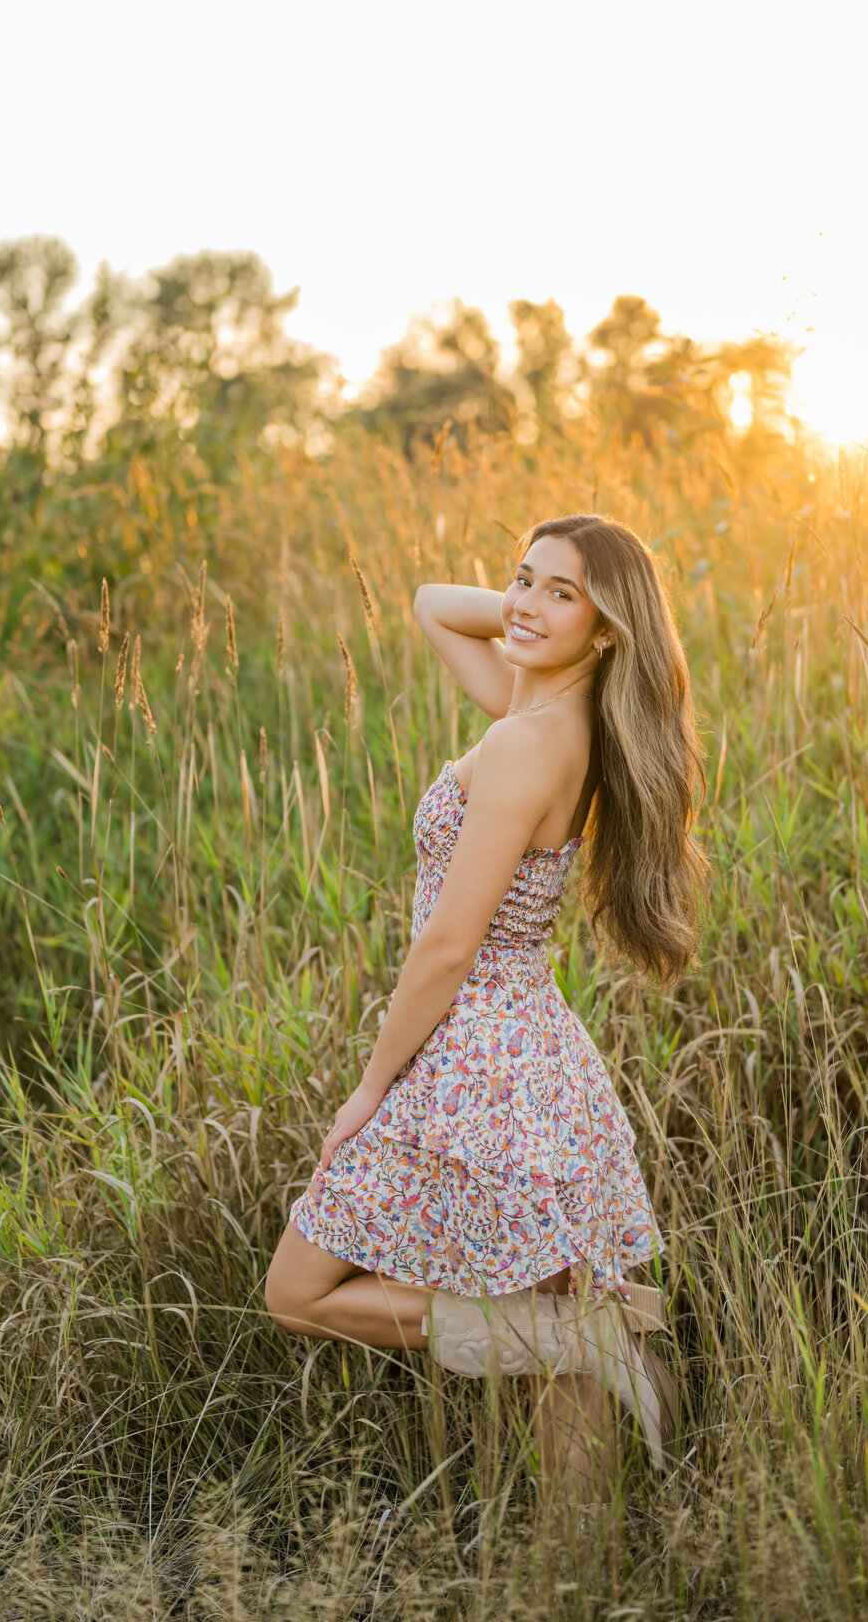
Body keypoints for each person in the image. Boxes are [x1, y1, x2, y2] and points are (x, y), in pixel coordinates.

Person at [264, 512, 708, 1487]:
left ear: (607, 629)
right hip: (529, 1050)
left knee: (297, 1290)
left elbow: (448, 943)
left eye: (563, 591)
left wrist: (371, 1088)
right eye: (524, 578)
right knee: (555, 1348)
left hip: (475, 1058)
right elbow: (433, 607)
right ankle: (579, 1563)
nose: (525, 603)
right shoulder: (550, 713)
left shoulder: (526, 742)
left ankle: (564, 1337)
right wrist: (536, 606)